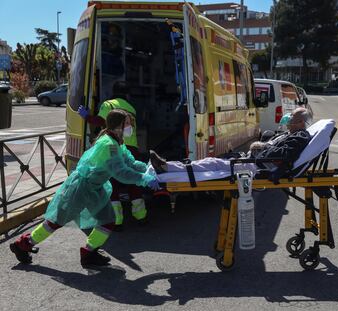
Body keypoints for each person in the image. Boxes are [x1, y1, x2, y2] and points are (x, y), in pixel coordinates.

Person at [10, 110, 158, 268]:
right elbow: (120, 172)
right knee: (55, 222)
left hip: (94, 188)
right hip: (80, 188)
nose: (130, 127)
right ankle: (22, 245)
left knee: (108, 221)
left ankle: (89, 253)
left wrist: (148, 168)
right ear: (118, 126)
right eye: (127, 123)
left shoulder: (117, 142)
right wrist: (143, 179)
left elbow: (130, 162)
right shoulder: (109, 144)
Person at [149, 108, 312, 182]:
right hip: (254, 161)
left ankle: (167, 168)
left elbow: (284, 154)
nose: (288, 120)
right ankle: (169, 166)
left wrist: (262, 148)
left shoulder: (300, 136)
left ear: (300, 122)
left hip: (258, 167)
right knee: (211, 162)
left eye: (292, 118)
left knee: (212, 164)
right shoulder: (292, 134)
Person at [78, 81, 147, 231]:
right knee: (132, 180)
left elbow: (100, 121)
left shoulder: (108, 105)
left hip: (115, 147)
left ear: (112, 92)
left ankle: (117, 221)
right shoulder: (131, 108)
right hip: (131, 147)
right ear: (126, 94)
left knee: (112, 184)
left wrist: (87, 116)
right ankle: (141, 216)